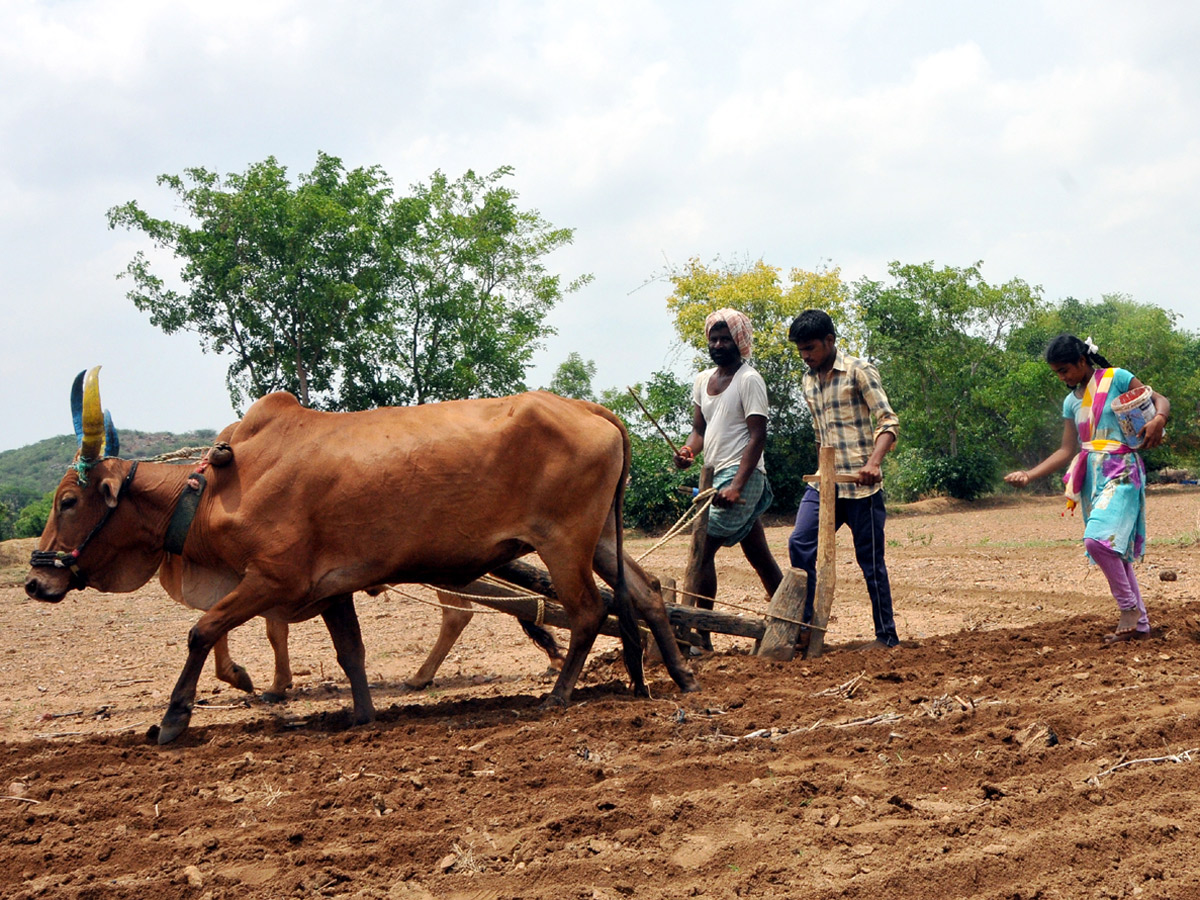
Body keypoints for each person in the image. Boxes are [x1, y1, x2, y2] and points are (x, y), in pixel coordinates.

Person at [1004, 334, 1170, 643]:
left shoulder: (1117, 378)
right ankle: (1142, 626)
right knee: (1114, 551)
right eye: (1057, 373)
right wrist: (1029, 475)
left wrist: (1158, 419)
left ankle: (1128, 609)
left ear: (1082, 361)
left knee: (1096, 541)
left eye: (1064, 370)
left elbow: (1160, 400)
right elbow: (1067, 450)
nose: (1062, 377)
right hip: (1092, 476)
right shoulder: (1072, 401)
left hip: (1122, 470)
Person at [787, 309, 900, 651]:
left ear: (830, 341)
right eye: (801, 351)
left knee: (871, 565)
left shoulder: (858, 372)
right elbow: (821, 434)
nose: (806, 356)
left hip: (862, 488)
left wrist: (874, 462)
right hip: (825, 486)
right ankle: (804, 627)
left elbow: (888, 422)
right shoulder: (808, 381)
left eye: (811, 348)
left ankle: (887, 637)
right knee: (799, 544)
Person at [674, 308, 783, 648]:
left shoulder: (749, 380)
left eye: (726, 339)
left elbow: (757, 437)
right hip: (714, 476)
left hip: (742, 476)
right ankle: (793, 621)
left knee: (702, 548)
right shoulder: (702, 381)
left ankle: (699, 634)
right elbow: (698, 431)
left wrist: (736, 485)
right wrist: (688, 452)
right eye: (714, 339)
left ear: (740, 342)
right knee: (759, 555)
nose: (719, 344)